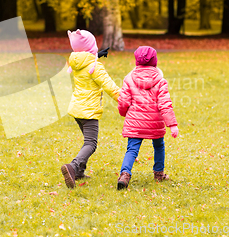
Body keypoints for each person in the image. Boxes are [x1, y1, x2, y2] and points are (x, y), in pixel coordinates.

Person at [61, 30, 120, 189]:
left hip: (77, 109)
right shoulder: (95, 67)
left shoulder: (76, 61)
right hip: (88, 111)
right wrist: (124, 100)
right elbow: (109, 86)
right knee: (91, 143)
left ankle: (79, 172)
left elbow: (87, 59)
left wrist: (97, 54)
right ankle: (73, 167)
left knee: (88, 142)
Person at [116, 46, 179, 190]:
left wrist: (123, 113)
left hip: (135, 123)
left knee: (132, 149)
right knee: (159, 146)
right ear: (155, 62)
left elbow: (123, 101)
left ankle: (125, 174)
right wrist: (172, 125)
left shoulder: (129, 78)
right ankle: (159, 173)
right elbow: (165, 104)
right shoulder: (160, 80)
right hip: (154, 123)